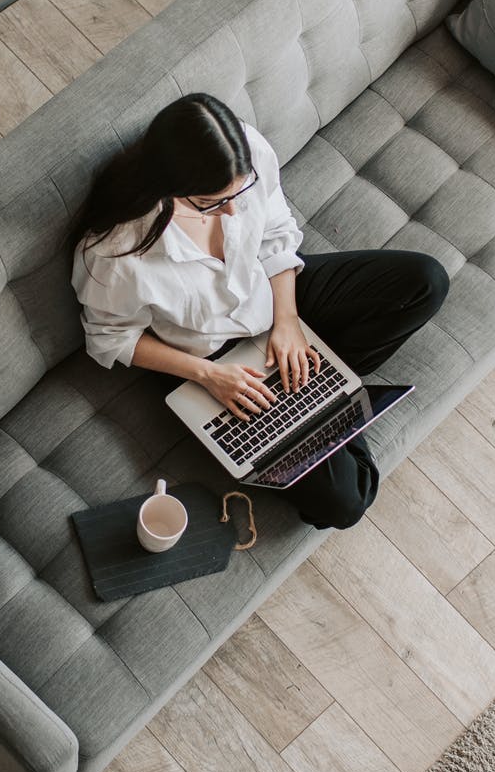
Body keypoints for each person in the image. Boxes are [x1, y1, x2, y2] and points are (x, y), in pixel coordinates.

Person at [70, 92, 448, 530]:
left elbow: (275, 234)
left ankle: (315, 391)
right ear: (167, 187)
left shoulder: (245, 153)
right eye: (212, 202)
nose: (231, 210)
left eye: (240, 191)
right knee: (347, 501)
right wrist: (209, 376)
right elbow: (110, 338)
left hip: (274, 296)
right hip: (209, 358)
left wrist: (287, 321)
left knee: (425, 281)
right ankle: (320, 397)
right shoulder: (114, 253)